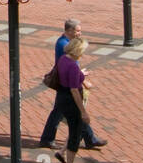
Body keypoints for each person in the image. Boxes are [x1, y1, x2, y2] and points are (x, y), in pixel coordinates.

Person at [39, 18, 106, 150]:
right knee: (70, 113)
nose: (79, 33)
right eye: (77, 31)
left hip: (66, 83)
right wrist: (82, 79)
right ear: (69, 30)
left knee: (60, 112)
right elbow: (70, 66)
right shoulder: (63, 44)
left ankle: (89, 138)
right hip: (66, 85)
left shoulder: (67, 42)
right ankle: (49, 139)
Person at [53, 36, 90, 163]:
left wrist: (82, 74)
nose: (83, 54)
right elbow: (74, 90)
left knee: (76, 128)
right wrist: (83, 111)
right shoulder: (73, 66)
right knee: (76, 132)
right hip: (71, 101)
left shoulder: (64, 59)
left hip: (61, 97)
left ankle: (62, 152)